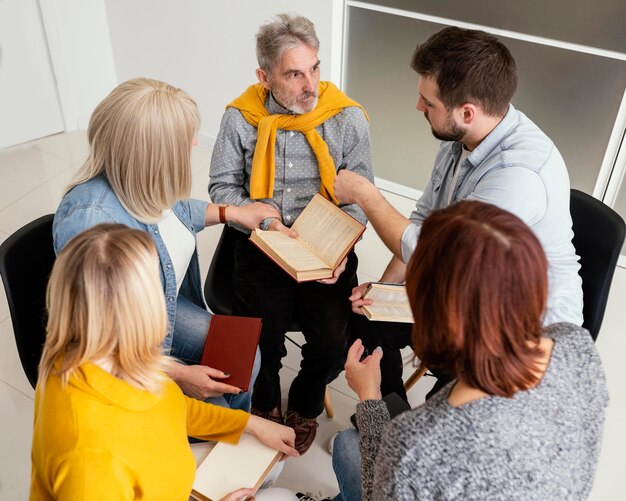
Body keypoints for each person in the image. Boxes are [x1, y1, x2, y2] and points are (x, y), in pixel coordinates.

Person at [334, 26, 583, 402]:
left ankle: (401, 430)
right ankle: (387, 416)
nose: (419, 107)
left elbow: (437, 257)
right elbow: (423, 222)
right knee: (366, 320)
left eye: (428, 102)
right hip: (466, 285)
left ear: (466, 111)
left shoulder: (519, 176)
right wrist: (385, 295)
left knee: (445, 419)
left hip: (513, 330)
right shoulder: (463, 135)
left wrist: (367, 195)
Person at [333, 201, 608, 500]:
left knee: (346, 445)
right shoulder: (577, 344)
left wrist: (370, 397)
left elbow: (380, 493)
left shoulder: (413, 443)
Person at [53, 78, 279, 409]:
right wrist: (178, 375)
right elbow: (103, 346)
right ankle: (212, 446)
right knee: (216, 404)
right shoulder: (91, 223)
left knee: (246, 355)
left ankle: (230, 435)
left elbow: (174, 211)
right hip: (124, 347)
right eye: (183, 138)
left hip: (161, 313)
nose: (192, 143)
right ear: (151, 152)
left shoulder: (140, 180)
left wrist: (234, 212)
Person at [30, 224, 299, 500]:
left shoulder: (101, 357)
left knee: (271, 462)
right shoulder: (89, 462)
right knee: (284, 496)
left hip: (165, 472)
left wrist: (250, 424)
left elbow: (171, 407)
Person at [209, 13, 374, 454]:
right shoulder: (240, 118)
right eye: (295, 74)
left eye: (315, 68)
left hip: (325, 247)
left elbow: (360, 196)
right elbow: (222, 187)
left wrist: (339, 248)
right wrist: (266, 223)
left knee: (333, 342)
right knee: (260, 339)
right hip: (264, 243)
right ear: (264, 77)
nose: (310, 85)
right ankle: (264, 403)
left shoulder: (346, 118)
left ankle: (303, 402)